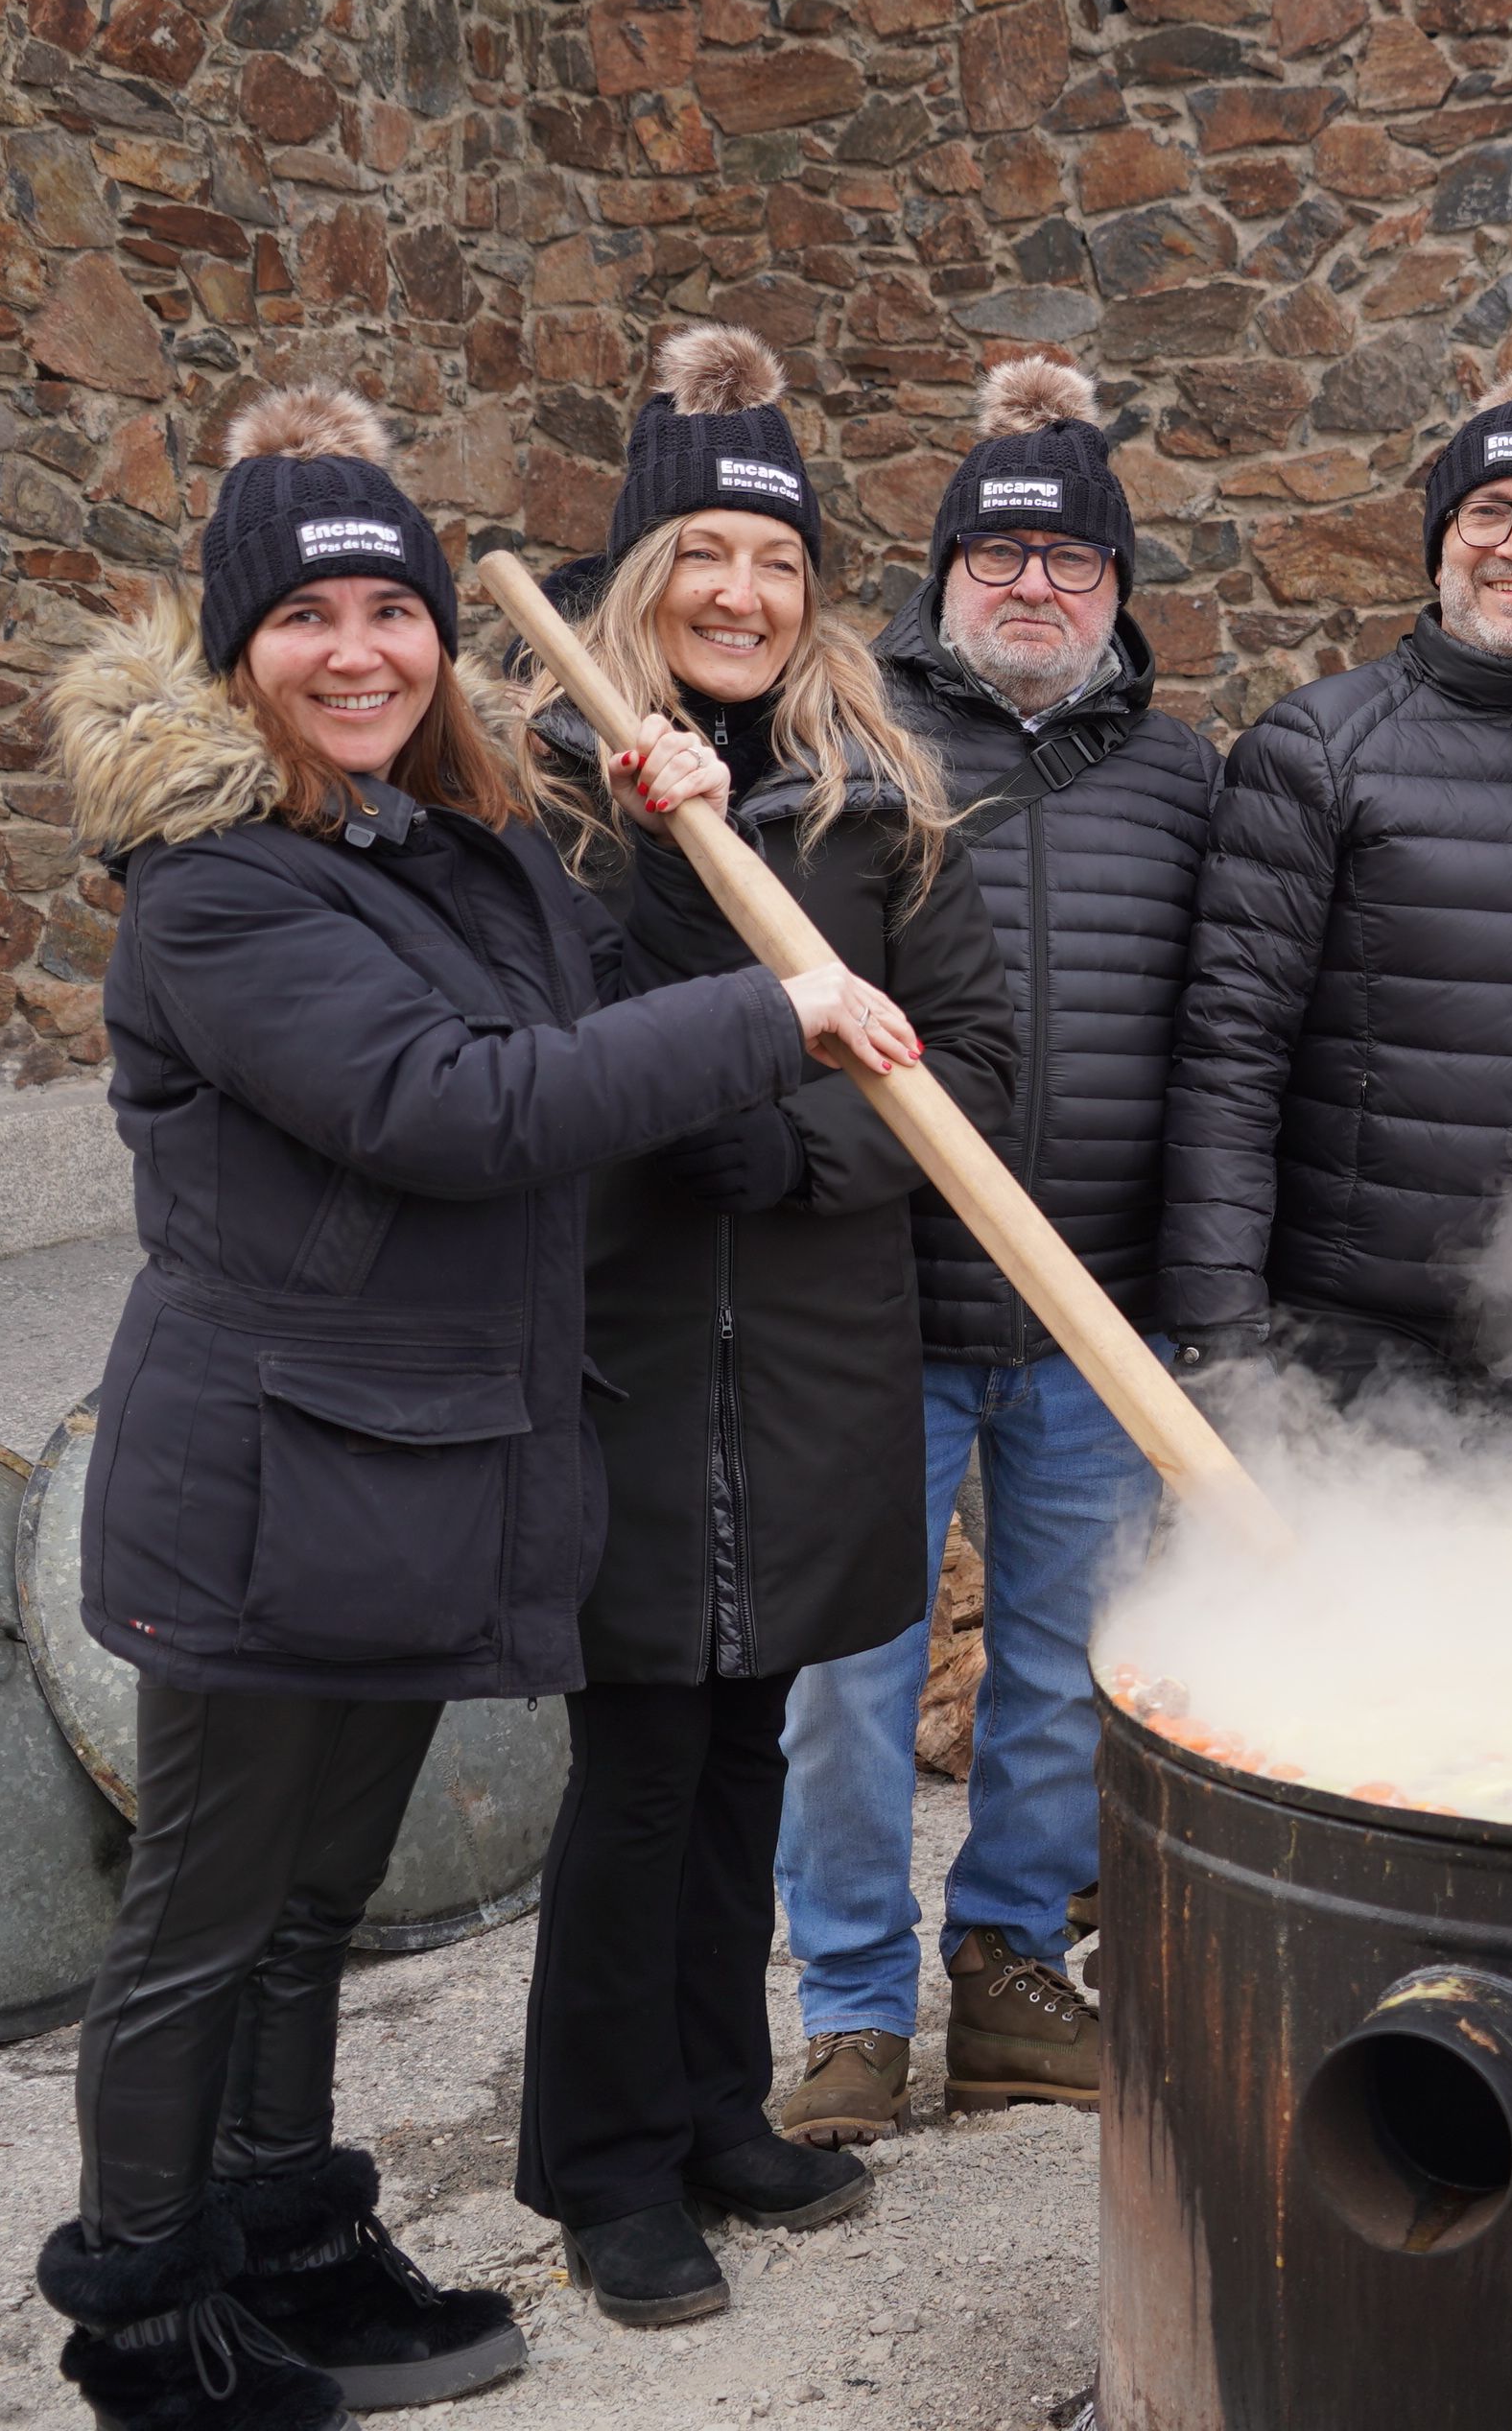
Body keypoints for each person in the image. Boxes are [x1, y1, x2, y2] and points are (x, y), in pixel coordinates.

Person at [34, 387, 922, 2431]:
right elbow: (460, 1107)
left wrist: (669, 813)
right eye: (305, 619)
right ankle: (148, 2316)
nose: (357, 650)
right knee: (207, 1914)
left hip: (399, 1467)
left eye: (392, 609)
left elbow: (587, 993)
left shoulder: (448, 846)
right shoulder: (221, 887)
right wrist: (774, 1005)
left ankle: (287, 2229)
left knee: (313, 1900)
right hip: (260, 1475)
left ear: (444, 635)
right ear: (232, 650)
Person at [508, 328, 1020, 2330]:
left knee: (747, 1752)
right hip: (620, 1354)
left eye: (777, 559)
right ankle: (602, 2167)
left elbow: (963, 1059)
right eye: (701, 553)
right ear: (640, 579)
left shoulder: (878, 807)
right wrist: (655, 831)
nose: (741, 590)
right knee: (635, 1770)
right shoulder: (546, 794)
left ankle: (720, 2104)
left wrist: (797, 1145)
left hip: (807, 1351)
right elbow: (536, 1050)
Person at [769, 358, 1219, 2149]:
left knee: (1060, 1670)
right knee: (852, 1680)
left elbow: (1224, 1025)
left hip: (1091, 1304)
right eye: (1000, 553)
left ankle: (1017, 1968)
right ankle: (856, 2010)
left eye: (1072, 560)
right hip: (876, 1298)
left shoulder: (1189, 777)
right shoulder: (851, 749)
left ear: (1119, 591)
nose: (1034, 584)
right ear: (943, 572)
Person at [1160, 367, 1512, 1404]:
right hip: (1349, 1328)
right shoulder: (1320, 745)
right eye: (1489, 512)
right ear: (1442, 541)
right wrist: (1217, 1320)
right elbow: (1231, 1048)